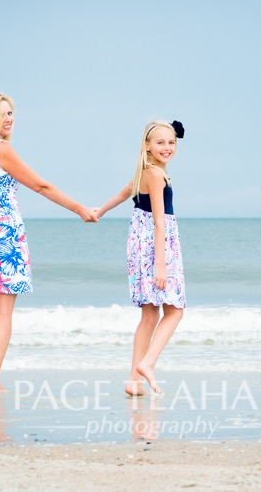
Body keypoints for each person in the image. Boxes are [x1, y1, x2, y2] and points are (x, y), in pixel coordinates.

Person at [0, 92, 97, 394]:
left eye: (11, 113)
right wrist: (79, 208)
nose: (9, 119)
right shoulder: (1, 149)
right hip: (4, 236)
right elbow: (41, 185)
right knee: (3, 313)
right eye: (3, 114)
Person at [96, 120, 186, 396]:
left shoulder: (145, 172)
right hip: (156, 247)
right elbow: (160, 222)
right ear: (147, 145)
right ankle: (147, 364)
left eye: (171, 142)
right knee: (175, 310)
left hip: (141, 244)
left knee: (149, 315)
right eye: (160, 142)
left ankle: (134, 382)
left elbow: (123, 195)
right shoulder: (156, 176)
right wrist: (161, 264)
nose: (167, 147)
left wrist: (98, 212)